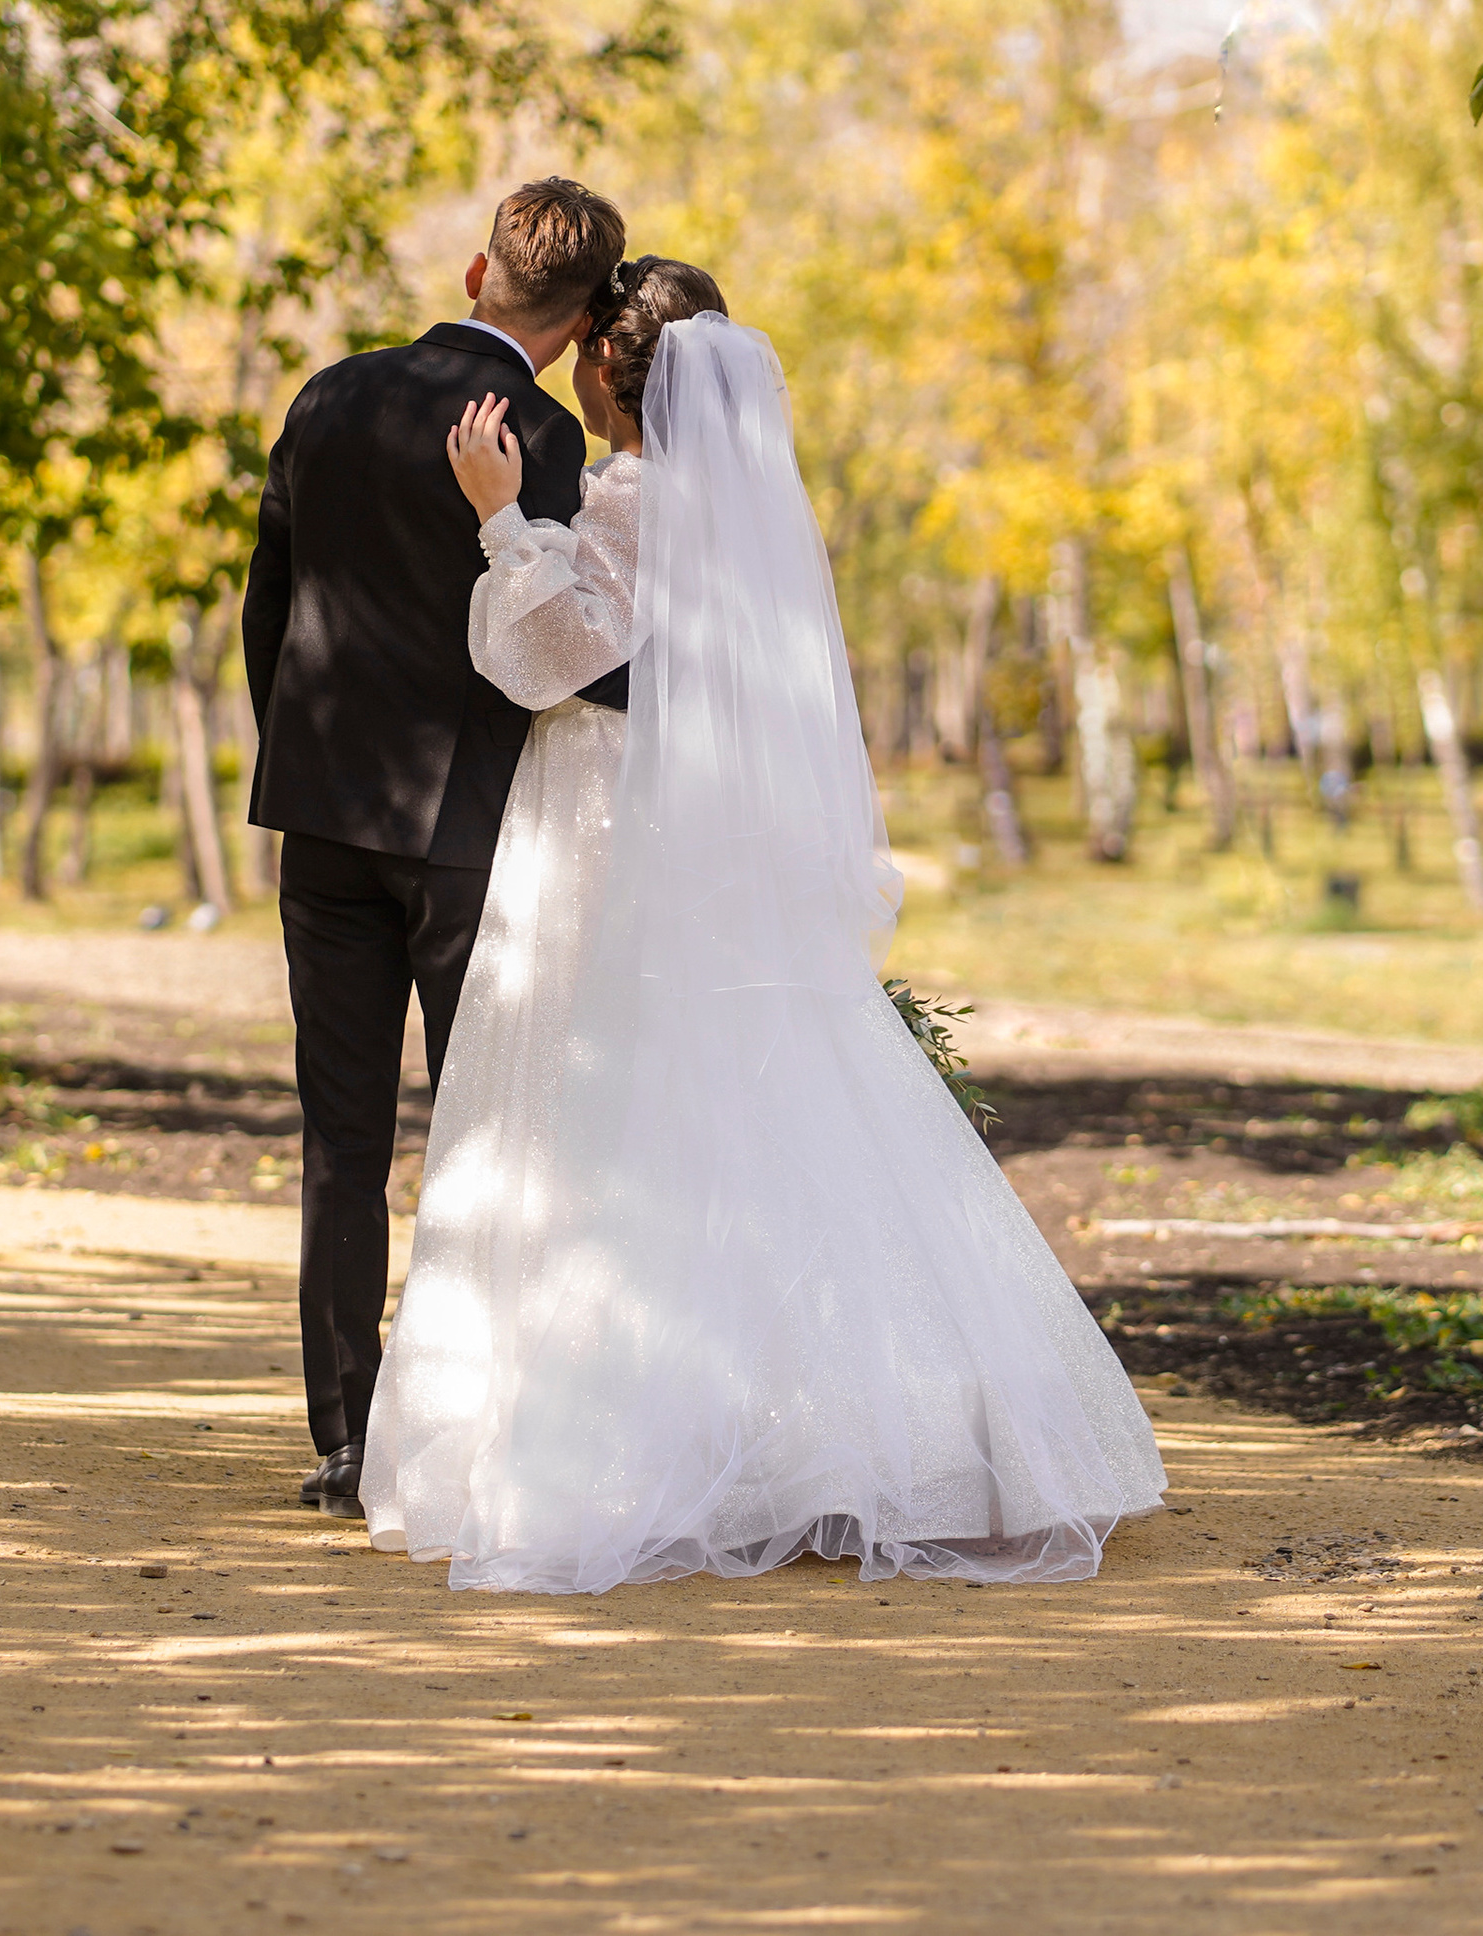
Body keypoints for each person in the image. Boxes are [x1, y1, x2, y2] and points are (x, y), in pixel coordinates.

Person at [360, 276, 1167, 1591]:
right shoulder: (762, 515)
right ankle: (857, 1430)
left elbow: (548, 657)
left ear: (616, 382)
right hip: (723, 839)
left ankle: (635, 1433)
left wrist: (506, 523)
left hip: (611, 829)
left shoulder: (627, 499)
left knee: (598, 1111)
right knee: (761, 1105)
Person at [242, 178, 628, 1515]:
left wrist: (299, 762)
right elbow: (556, 646)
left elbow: (270, 599)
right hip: (474, 835)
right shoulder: (543, 438)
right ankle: (471, 1431)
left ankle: (349, 1440)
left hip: (326, 821)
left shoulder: (330, 397)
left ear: (476, 272)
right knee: (485, 1134)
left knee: (342, 1139)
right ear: (584, 328)